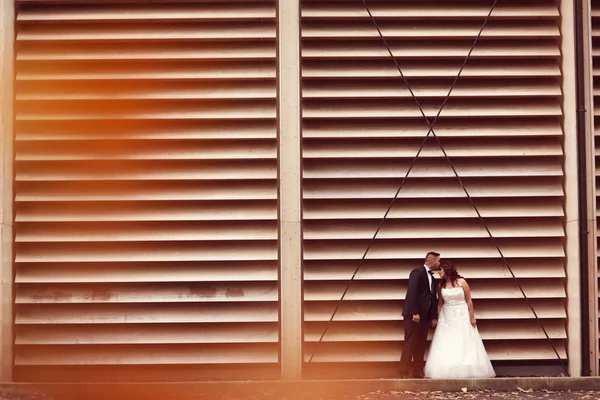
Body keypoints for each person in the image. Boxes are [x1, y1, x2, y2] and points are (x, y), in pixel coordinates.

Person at [424, 259, 496, 378]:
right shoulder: (440, 285)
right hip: (446, 316)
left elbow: (468, 300)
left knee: (464, 338)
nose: (439, 273)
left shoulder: (461, 282)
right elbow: (440, 303)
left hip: (461, 313)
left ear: (447, 269)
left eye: (440, 270)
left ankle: (466, 366)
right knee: (446, 340)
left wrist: (472, 316)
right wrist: (436, 317)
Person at [399, 251, 441, 378]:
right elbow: (412, 292)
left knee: (421, 344)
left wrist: (433, 316)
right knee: (410, 342)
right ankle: (403, 371)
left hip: (425, 317)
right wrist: (414, 312)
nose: (440, 263)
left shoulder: (432, 278)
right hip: (413, 315)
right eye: (438, 261)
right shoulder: (417, 273)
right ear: (432, 261)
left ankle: (418, 371)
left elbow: (433, 298)